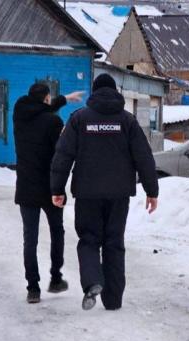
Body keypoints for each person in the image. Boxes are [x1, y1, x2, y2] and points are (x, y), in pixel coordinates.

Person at [51, 74, 159, 311]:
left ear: (94, 92)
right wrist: (152, 191)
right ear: (114, 92)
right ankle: (113, 300)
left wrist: (57, 188)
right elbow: (144, 157)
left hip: (87, 193)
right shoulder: (127, 121)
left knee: (89, 240)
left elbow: (63, 155)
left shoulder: (79, 119)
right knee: (114, 243)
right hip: (118, 194)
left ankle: (92, 282)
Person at [13, 83, 85, 304]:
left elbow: (40, 110)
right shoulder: (53, 122)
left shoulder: (19, 116)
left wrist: (63, 99)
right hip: (50, 186)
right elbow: (60, 154)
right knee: (57, 231)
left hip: (26, 187)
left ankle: (32, 289)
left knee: (30, 239)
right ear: (45, 99)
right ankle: (55, 278)